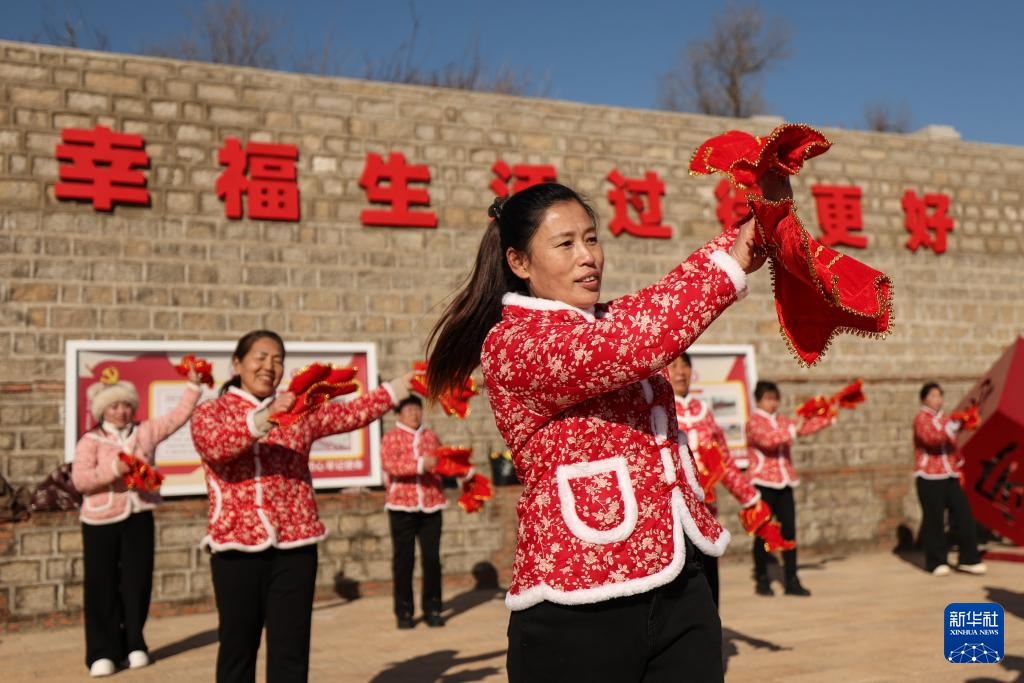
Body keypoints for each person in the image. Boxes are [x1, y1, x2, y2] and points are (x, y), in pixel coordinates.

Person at [426, 180, 774, 683]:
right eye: (565, 244)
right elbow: (632, 346)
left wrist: (751, 230)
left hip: (678, 584)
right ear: (520, 263)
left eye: (591, 238)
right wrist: (732, 263)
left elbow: (658, 302)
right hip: (578, 603)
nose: (587, 256)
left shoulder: (610, 319)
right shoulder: (513, 344)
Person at [190, 330, 413, 683]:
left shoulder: (298, 409)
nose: (269, 366)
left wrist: (401, 385)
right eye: (260, 357)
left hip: (296, 544)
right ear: (237, 363)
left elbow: (351, 414)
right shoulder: (211, 412)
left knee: (291, 649)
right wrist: (264, 419)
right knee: (238, 648)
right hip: (236, 547)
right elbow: (215, 446)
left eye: (277, 359)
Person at [72, 367, 203, 677]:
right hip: (100, 520)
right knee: (102, 585)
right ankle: (102, 651)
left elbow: (177, 417)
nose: (122, 411)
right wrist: (114, 469)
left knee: (137, 583)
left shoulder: (144, 432)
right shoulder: (90, 441)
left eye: (127, 405)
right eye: (115, 405)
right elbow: (80, 481)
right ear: (103, 409)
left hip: (139, 515)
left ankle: (134, 643)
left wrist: (193, 387)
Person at [668, 353, 763, 607]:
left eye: (685, 366)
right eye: (674, 365)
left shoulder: (703, 411)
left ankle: (712, 637)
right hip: (672, 514)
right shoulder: (661, 410)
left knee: (709, 580)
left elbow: (725, 461)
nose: (680, 372)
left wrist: (749, 497)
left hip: (705, 511)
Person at [745, 380, 832, 597]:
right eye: (768, 399)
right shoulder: (754, 422)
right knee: (764, 532)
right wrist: (794, 429)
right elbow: (768, 441)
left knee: (789, 531)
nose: (773, 403)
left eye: (775, 399)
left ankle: (791, 579)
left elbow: (802, 429)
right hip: (763, 483)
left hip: (785, 483)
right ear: (759, 400)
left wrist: (828, 417)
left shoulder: (783, 421)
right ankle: (762, 578)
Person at [381, 395, 447, 629]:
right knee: (404, 560)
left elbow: (443, 464)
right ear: (398, 413)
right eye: (409, 409)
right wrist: (420, 464)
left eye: (417, 409)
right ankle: (404, 611)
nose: (414, 413)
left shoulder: (431, 436)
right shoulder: (391, 438)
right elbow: (390, 465)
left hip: (431, 504)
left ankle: (433, 608)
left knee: (432, 559)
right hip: (402, 507)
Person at [913, 382, 986, 576]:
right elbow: (931, 439)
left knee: (964, 515)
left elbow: (952, 443)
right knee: (934, 519)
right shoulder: (921, 419)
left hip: (950, 474)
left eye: (940, 396)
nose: (938, 400)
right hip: (929, 476)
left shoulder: (945, 419)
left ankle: (969, 559)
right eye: (933, 396)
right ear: (924, 399)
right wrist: (950, 429)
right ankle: (936, 561)